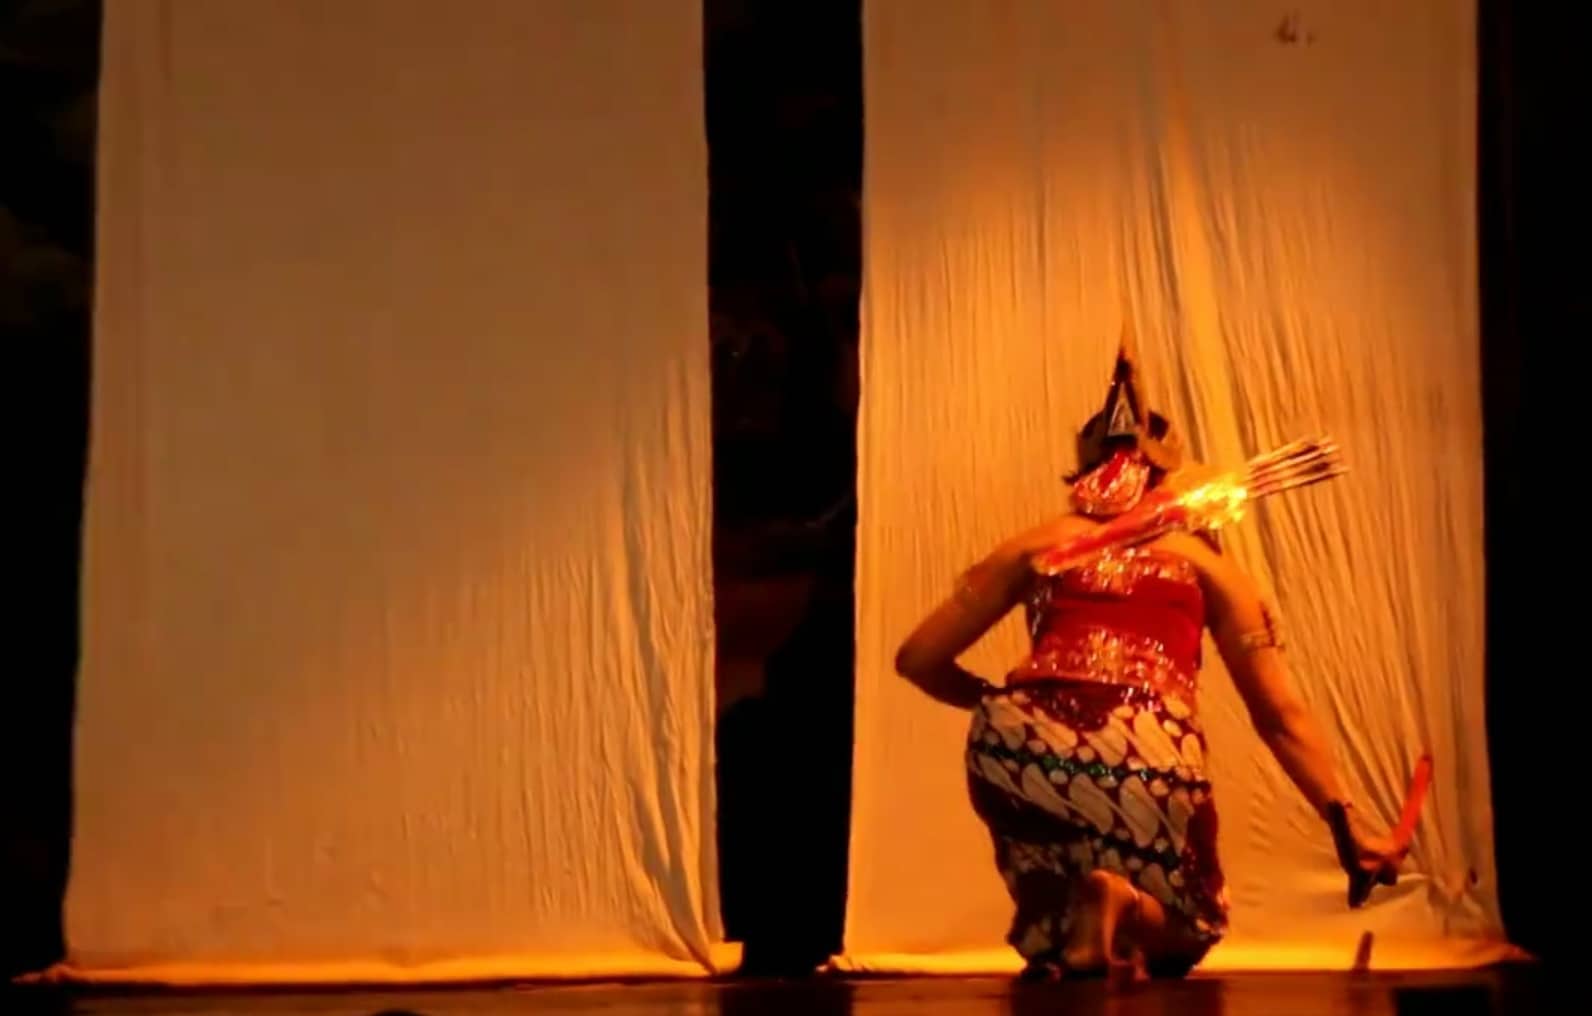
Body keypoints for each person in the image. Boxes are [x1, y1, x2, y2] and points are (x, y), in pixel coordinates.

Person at [892, 339, 1408, 980]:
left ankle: (1083, 924)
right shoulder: (1208, 566)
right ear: (1171, 479)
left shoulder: (1036, 545)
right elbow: (1278, 715)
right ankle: (1122, 903)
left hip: (1019, 740)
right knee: (1193, 924)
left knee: (1052, 922)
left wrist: (1005, 707)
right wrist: (1344, 823)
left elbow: (916, 658)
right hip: (1145, 742)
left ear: (1082, 469)